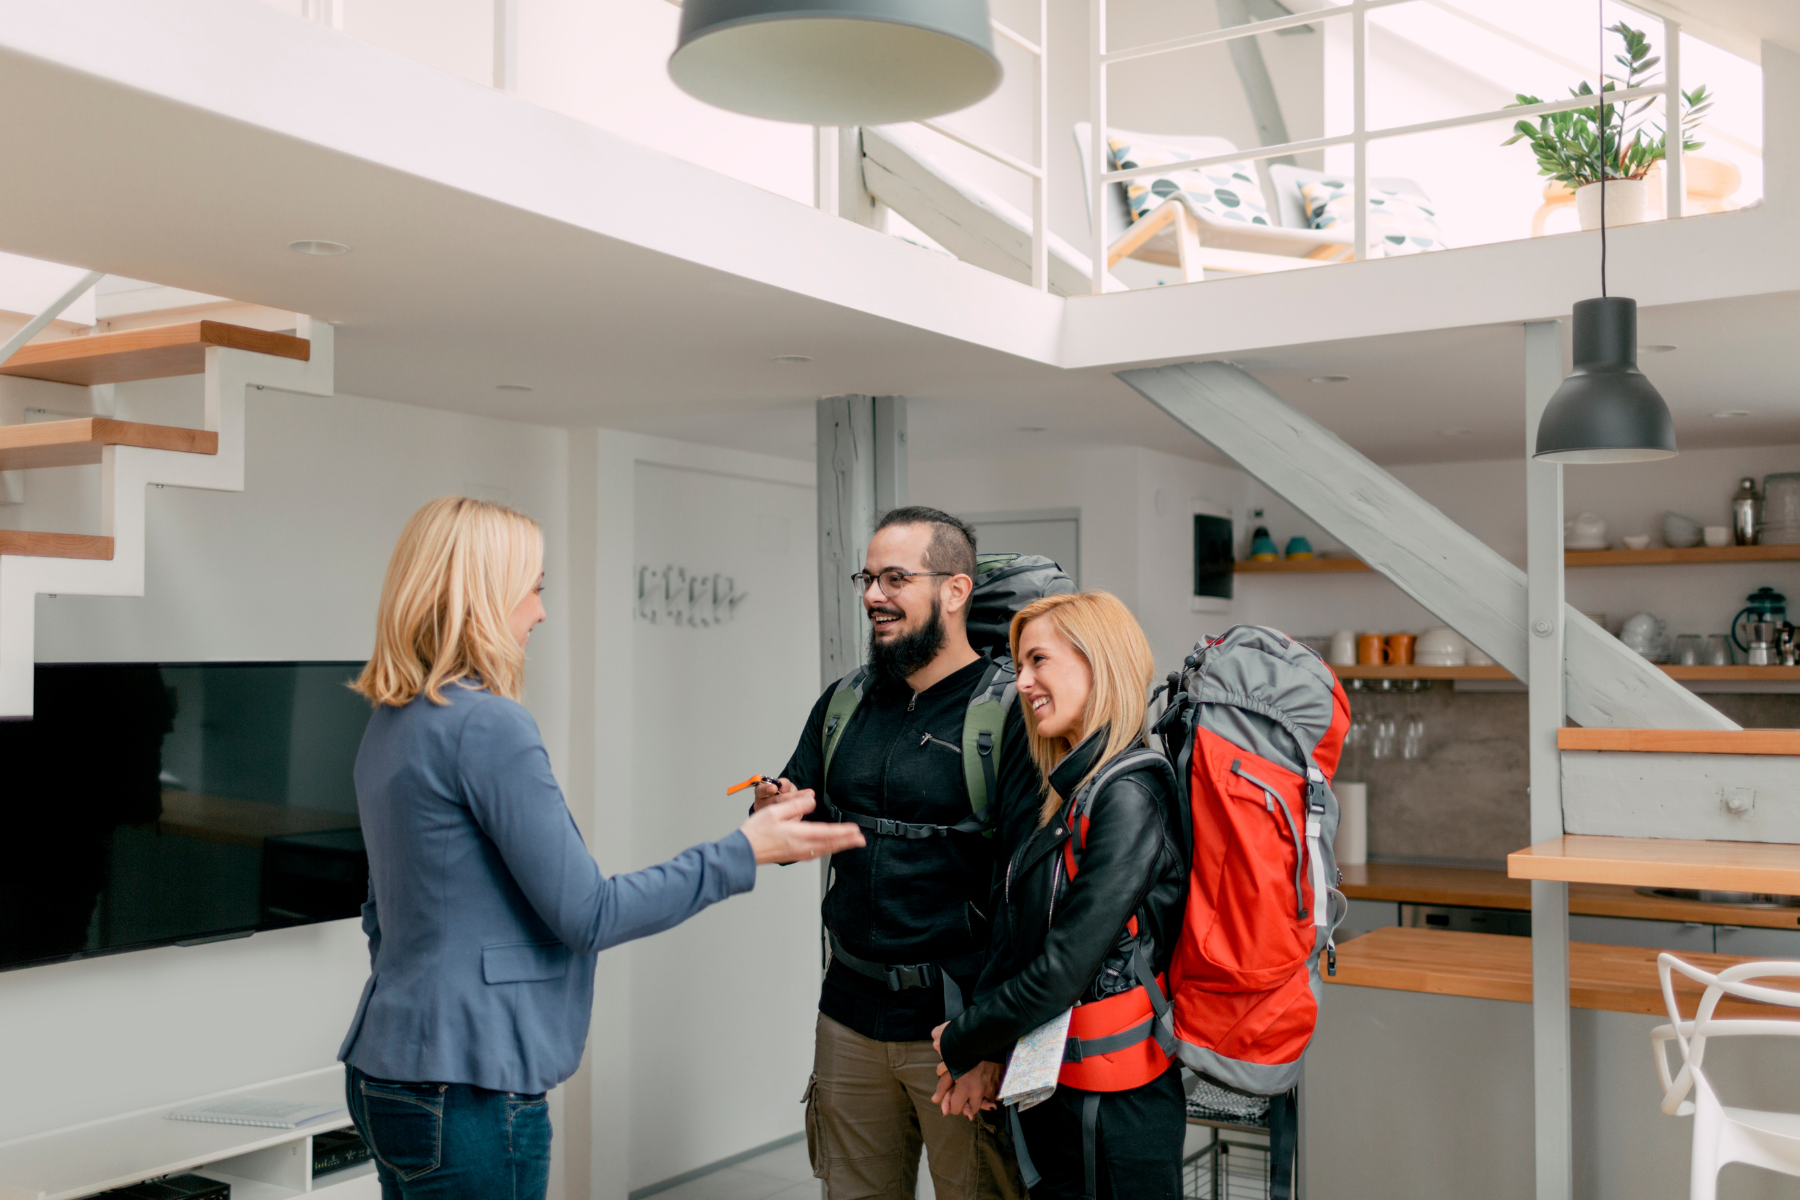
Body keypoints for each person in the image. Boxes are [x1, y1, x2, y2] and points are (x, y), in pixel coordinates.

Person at [338, 496, 863, 1200]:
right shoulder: (489, 726)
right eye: (534, 588)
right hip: (468, 1089)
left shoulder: (392, 721)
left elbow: (382, 910)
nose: (540, 612)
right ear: (483, 597)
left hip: (388, 1068)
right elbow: (588, 913)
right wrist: (746, 849)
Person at [754, 506, 1037, 1200]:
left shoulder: (1009, 716)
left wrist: (987, 1040)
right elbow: (792, 830)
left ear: (955, 590)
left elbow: (1029, 899)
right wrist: (772, 814)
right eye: (868, 577)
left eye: (893, 578)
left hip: (955, 1028)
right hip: (847, 1014)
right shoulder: (844, 701)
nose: (872, 596)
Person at [932, 591, 1188, 1200]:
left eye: (1038, 661)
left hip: (1118, 1112)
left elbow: (1061, 970)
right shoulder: (1071, 793)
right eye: (1020, 665)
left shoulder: (1131, 795)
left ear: (1097, 662)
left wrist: (965, 1035)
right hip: (1064, 1095)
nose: (1022, 682)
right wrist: (979, 1052)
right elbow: (1019, 931)